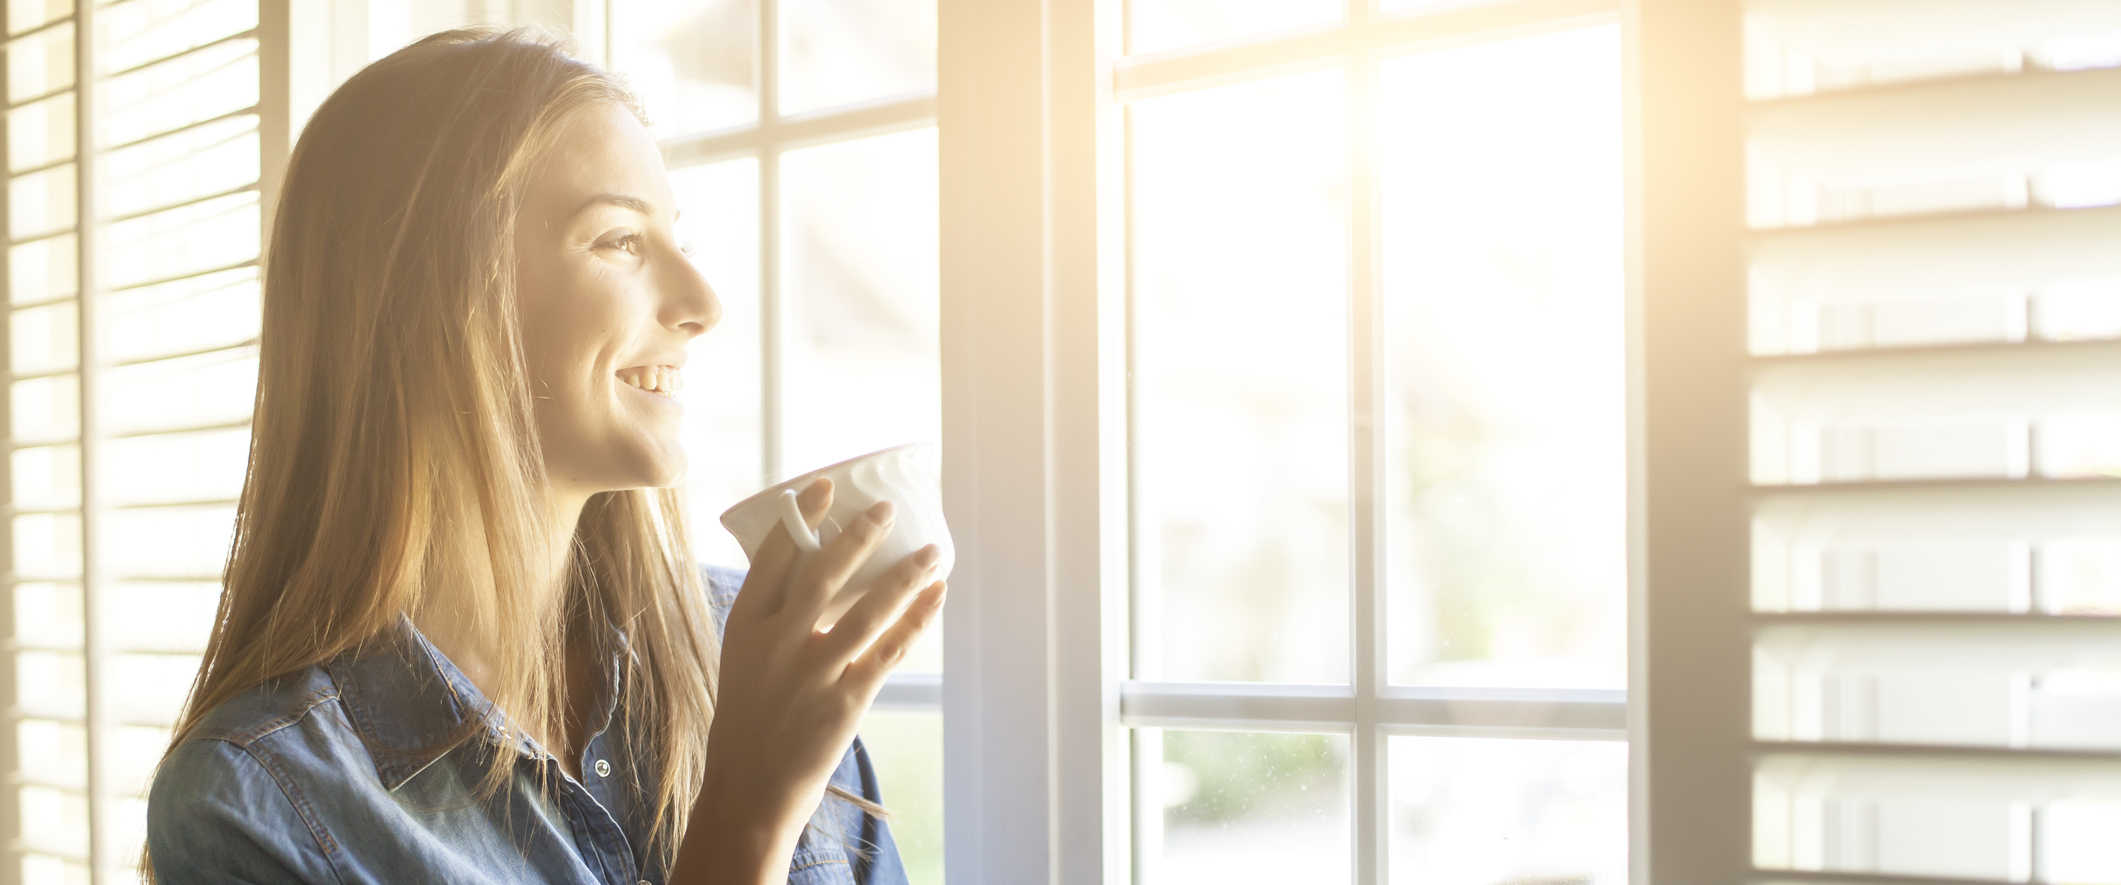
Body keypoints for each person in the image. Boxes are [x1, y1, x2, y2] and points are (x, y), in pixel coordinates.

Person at [143, 29, 945, 885]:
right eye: (619, 242)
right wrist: (749, 814)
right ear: (434, 303)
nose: (703, 302)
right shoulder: (255, 800)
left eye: (678, 240)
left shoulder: (750, 646)